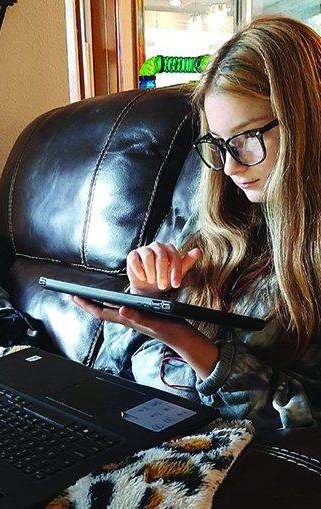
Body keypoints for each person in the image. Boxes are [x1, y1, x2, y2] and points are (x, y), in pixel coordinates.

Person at [73, 15, 321, 429]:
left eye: (247, 138)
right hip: (132, 426)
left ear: (307, 122)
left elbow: (303, 417)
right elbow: (113, 369)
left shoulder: (309, 259)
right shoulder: (220, 224)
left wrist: (188, 339)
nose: (229, 166)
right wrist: (144, 297)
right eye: (219, 144)